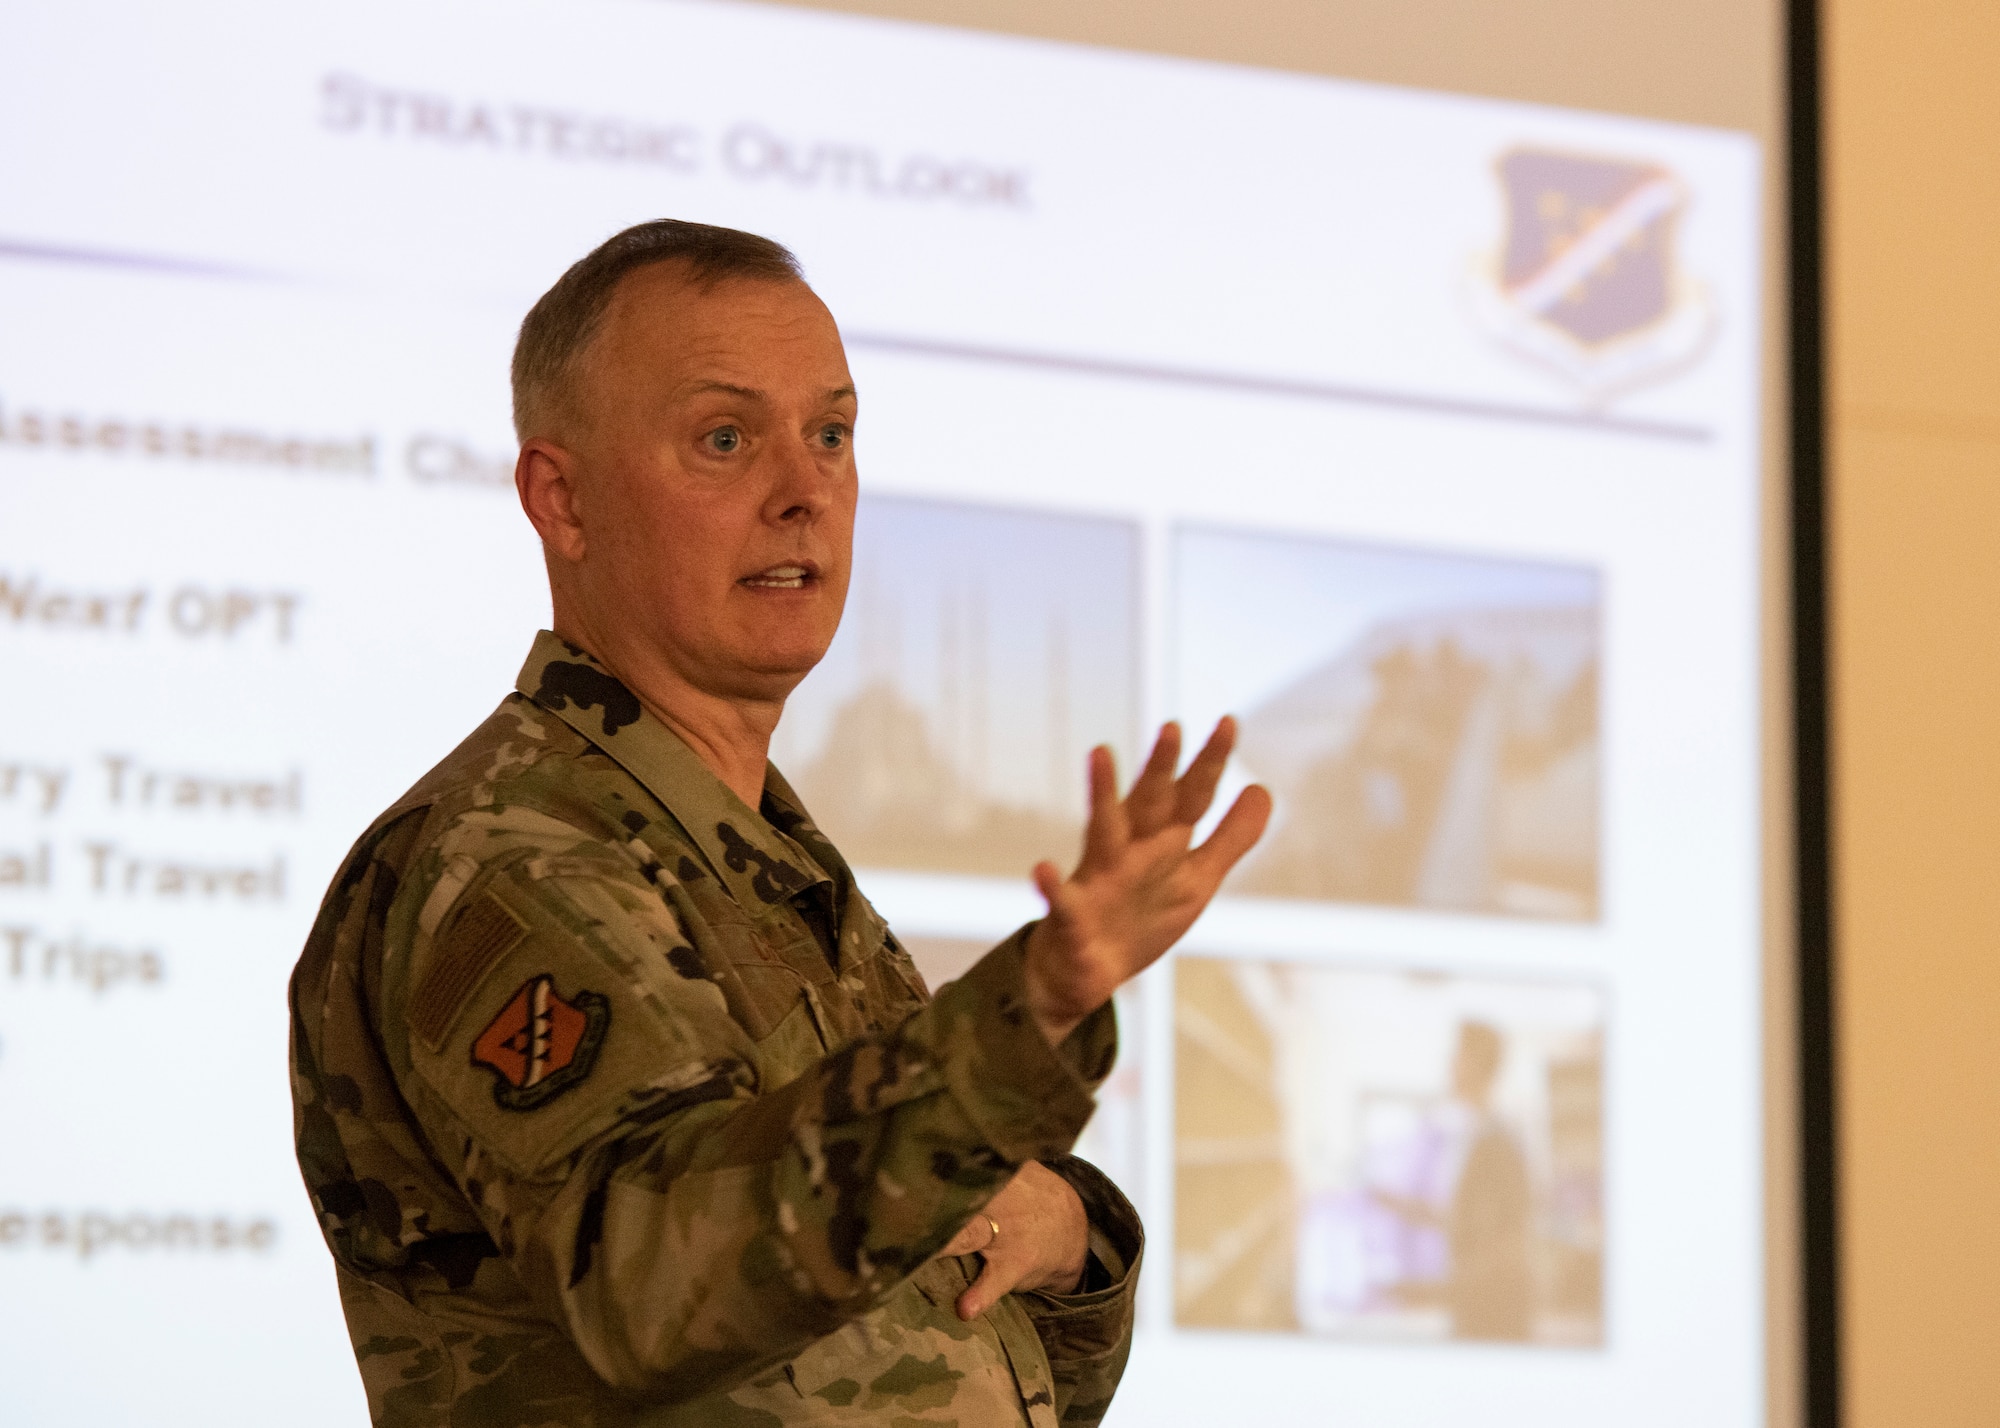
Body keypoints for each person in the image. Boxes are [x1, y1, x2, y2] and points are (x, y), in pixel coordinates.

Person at [288, 219, 1271, 1428]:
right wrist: (1029, 1021)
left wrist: (1073, 1237)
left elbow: (934, 1356)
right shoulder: (505, 856)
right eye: (723, 439)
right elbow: (657, 1286)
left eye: (831, 435)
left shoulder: (773, 865)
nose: (804, 493)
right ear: (563, 499)